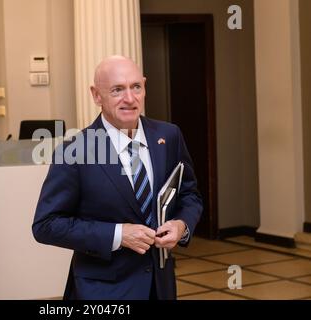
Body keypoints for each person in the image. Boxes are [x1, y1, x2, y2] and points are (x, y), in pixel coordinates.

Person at [32, 56, 202, 300]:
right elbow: (46, 225)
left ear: (144, 86)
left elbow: (189, 195)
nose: (130, 99)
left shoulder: (169, 136)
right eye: (117, 90)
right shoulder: (75, 151)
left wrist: (182, 225)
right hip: (102, 291)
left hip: (160, 287)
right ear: (96, 95)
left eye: (136, 87)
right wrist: (118, 235)